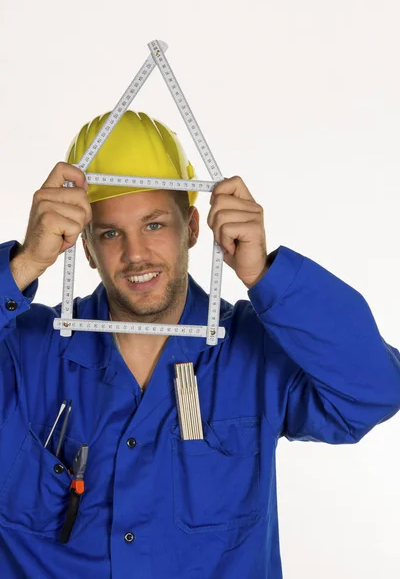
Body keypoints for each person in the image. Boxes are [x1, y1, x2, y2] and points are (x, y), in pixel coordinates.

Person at [0, 110, 399, 579]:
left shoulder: (254, 352)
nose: (135, 255)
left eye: (154, 225)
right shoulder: (24, 353)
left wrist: (265, 276)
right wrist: (24, 265)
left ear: (192, 227)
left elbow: (374, 391)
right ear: (84, 247)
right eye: (110, 233)